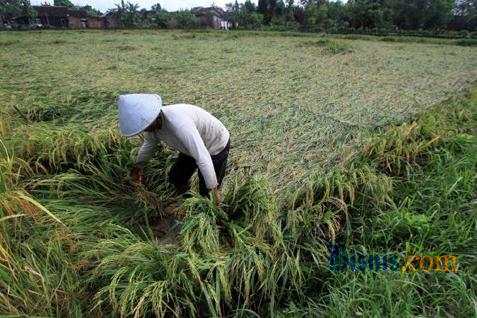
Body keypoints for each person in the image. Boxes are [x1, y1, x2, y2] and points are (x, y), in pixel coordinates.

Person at [117, 94, 230, 205]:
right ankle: (186, 203)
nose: (147, 130)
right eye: (144, 128)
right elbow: (149, 145)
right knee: (176, 177)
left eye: (147, 127)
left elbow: (202, 157)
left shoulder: (179, 124)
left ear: (154, 118)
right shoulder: (151, 127)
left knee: (207, 193)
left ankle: (212, 216)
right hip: (189, 147)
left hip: (215, 143)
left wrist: (213, 189)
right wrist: (138, 167)